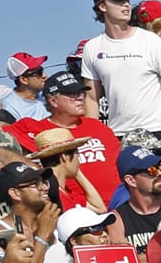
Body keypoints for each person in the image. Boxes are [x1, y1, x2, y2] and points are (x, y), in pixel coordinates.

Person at [81, 0, 161, 161]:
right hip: (119, 134)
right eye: (118, 1)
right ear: (102, 6)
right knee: (127, 188)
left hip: (159, 131)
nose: (126, 5)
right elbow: (92, 98)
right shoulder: (92, 48)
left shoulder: (150, 40)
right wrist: (94, 138)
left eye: (127, 0)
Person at [17, 76, 121, 211]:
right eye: (72, 94)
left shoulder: (98, 127)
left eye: (81, 93)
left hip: (118, 205)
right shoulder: (35, 129)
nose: (80, 98)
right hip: (78, 209)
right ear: (52, 100)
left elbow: (119, 164)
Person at [108, 148, 161, 249]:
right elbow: (124, 258)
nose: (160, 173)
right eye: (152, 170)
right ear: (131, 180)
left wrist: (140, 257)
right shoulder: (117, 219)